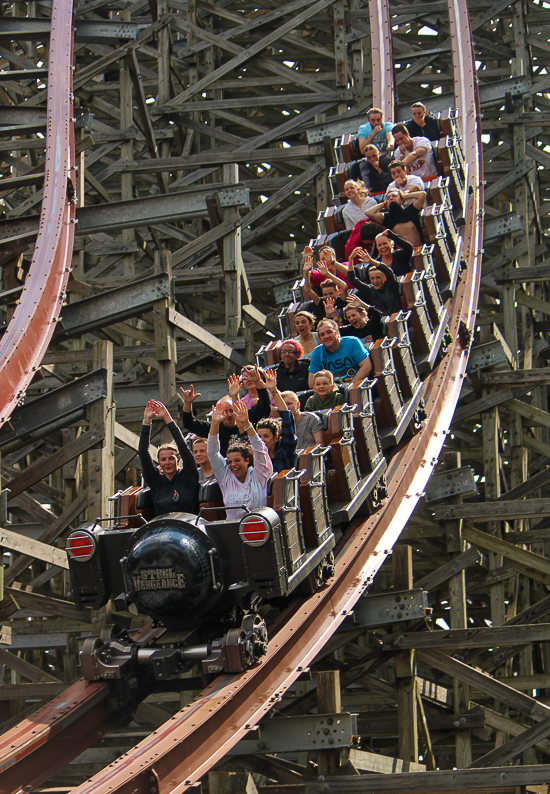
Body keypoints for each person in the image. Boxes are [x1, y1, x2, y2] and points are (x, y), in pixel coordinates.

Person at [207, 399, 273, 520]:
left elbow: (260, 449)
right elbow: (212, 453)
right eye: (230, 462)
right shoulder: (225, 477)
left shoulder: (259, 474)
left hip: (259, 530)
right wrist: (215, 423)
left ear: (247, 460)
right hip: (233, 530)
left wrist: (247, 424)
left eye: (237, 460)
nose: (233, 465)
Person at [181, 369, 271, 456]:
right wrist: (187, 403)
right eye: (224, 412)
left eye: (231, 410)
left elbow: (265, 407)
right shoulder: (214, 428)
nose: (229, 414)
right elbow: (189, 423)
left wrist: (258, 382)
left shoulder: (246, 418)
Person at [139, 400, 199, 516]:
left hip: (187, 527)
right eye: (163, 459)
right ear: (159, 463)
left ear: (178, 459)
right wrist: (147, 420)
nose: (167, 463)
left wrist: (167, 418)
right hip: (164, 529)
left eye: (171, 458)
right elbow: (142, 451)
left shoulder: (188, 477)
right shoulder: (156, 481)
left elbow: (183, 446)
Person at [308, 318, 372, 387]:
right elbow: (311, 383)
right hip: (332, 391)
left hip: (356, 387)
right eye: (322, 335)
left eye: (329, 332)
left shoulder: (352, 342)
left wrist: (351, 386)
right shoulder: (317, 352)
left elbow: (367, 366)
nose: (326, 336)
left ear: (338, 333)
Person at [256, 368, 296, 473]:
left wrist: (273, 390)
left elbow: (286, 417)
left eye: (266, 436)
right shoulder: (255, 456)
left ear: (276, 436)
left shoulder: (285, 449)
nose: (262, 440)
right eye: (259, 437)